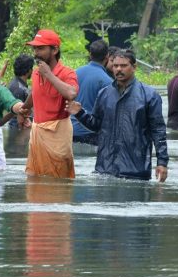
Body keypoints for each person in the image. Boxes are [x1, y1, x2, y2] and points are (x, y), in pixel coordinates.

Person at [66, 49, 168, 182]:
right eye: (115, 66)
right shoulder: (104, 94)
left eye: (123, 66)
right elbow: (96, 125)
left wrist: (162, 162)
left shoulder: (149, 95)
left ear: (134, 67)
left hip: (135, 170)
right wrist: (80, 113)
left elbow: (158, 131)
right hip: (105, 168)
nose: (119, 69)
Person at [20, 29, 78, 179]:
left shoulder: (67, 72)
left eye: (41, 48)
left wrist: (49, 74)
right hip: (37, 134)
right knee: (34, 181)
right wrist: (24, 108)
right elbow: (35, 93)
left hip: (58, 136)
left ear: (55, 50)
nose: (36, 53)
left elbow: (71, 93)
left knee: (58, 183)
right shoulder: (36, 72)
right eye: (34, 48)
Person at [71, 40, 112, 145]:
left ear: (90, 54)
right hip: (90, 133)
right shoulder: (107, 81)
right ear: (107, 56)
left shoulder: (74, 73)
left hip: (69, 130)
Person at [7, 54, 33, 129]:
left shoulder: (16, 83)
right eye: (31, 68)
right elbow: (17, 115)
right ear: (28, 70)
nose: (32, 70)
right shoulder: (18, 88)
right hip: (18, 127)